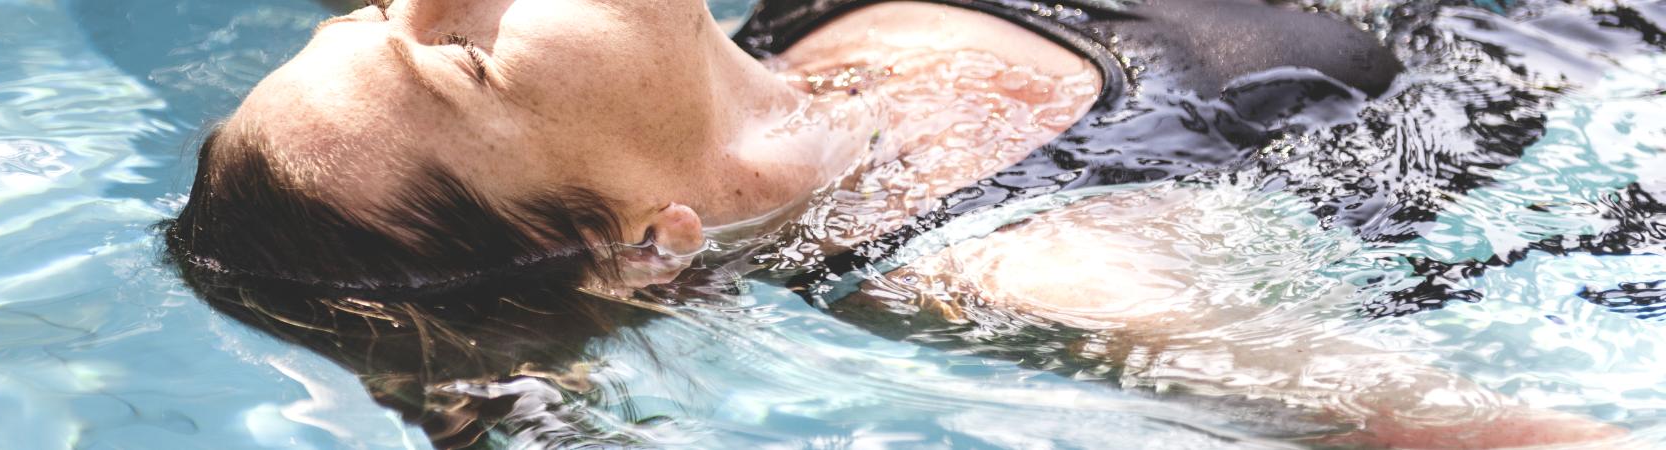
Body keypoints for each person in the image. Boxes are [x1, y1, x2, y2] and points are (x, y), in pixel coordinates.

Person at [160, 0, 1626, 447]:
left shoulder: (801, 31)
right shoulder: (1015, 262)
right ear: (648, 237)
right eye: (461, 51)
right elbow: (1458, 428)